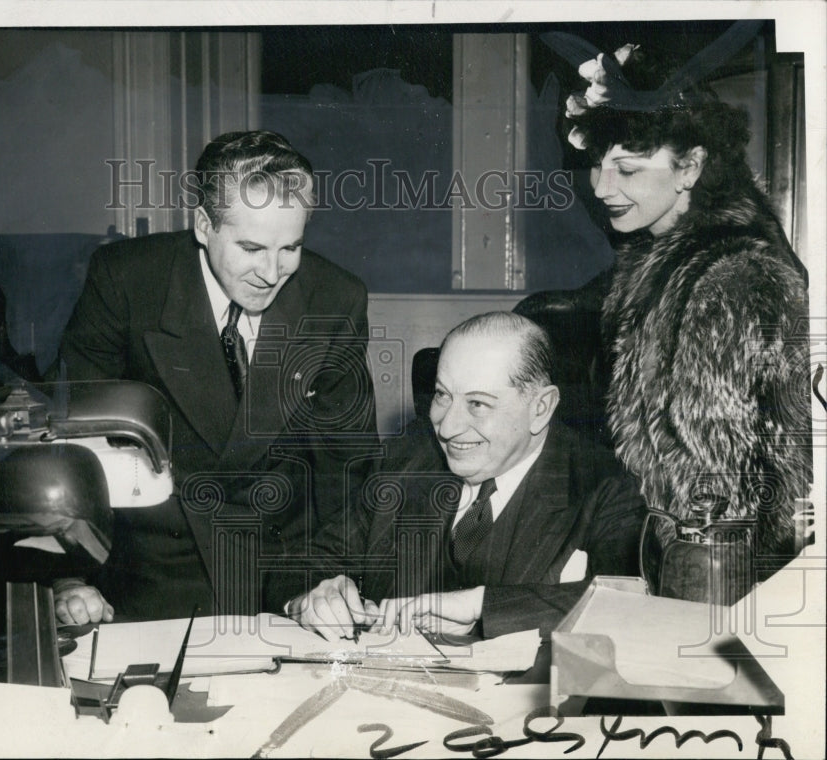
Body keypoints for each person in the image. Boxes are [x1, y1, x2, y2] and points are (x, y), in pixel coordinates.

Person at [54, 130, 378, 623]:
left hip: (285, 574)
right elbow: (73, 443)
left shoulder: (336, 299)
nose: (272, 272)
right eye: (251, 247)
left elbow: (348, 470)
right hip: (148, 571)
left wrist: (323, 585)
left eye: (291, 247)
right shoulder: (126, 280)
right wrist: (71, 578)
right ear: (204, 225)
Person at [547, 31, 810, 570]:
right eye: (597, 164)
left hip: (709, 567)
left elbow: (721, 495)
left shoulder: (731, 281)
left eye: (627, 169)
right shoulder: (652, 258)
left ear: (690, 168)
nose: (600, 188)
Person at [282, 312, 645, 641]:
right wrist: (309, 597)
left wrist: (480, 606)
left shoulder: (608, 486)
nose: (447, 427)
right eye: (442, 395)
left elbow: (629, 608)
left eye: (477, 404)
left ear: (540, 408)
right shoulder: (408, 456)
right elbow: (299, 567)